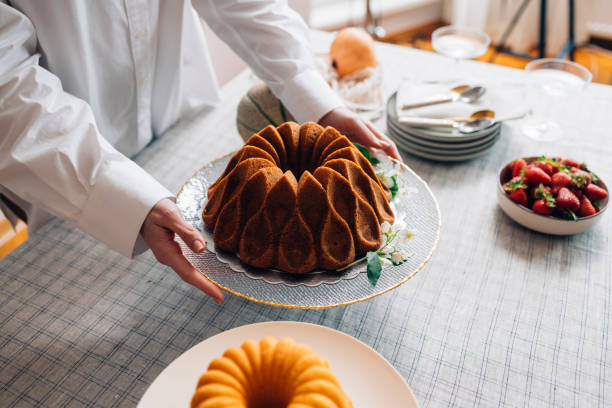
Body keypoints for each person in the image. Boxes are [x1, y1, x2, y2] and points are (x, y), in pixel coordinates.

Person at [0, 1, 400, 304]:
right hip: (69, 172)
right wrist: (120, 196)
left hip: (175, 115)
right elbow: (7, 77)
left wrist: (314, 96)